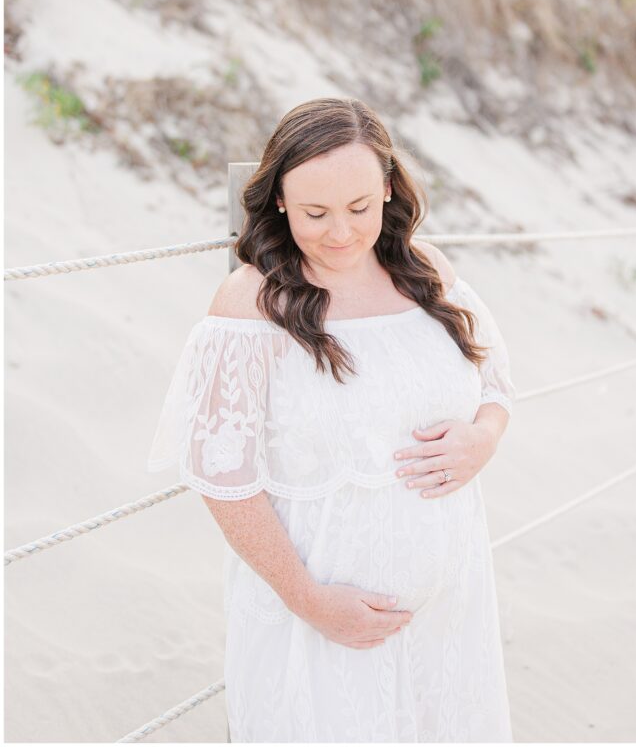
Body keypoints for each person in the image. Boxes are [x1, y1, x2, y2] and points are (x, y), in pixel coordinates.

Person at [147, 96, 517, 742]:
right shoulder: (251, 304)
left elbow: (495, 384)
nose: (340, 233)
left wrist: (482, 439)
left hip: (449, 612)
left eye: (360, 208)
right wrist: (310, 602)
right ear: (280, 199)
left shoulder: (427, 273)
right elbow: (219, 473)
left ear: (389, 190)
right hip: (318, 625)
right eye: (316, 212)